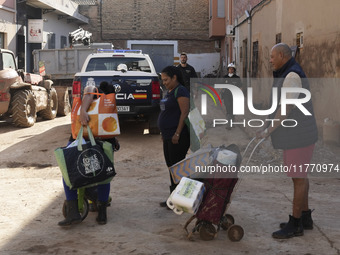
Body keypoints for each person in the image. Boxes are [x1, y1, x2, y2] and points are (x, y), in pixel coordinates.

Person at [256, 43, 318, 239]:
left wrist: (267, 130)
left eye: (273, 57)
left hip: (298, 136)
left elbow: (285, 109)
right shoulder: (287, 72)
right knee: (301, 177)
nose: (270, 60)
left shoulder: (291, 76)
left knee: (298, 179)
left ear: (282, 55)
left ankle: (296, 223)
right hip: (300, 134)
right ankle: (305, 218)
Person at [58, 81, 119, 227]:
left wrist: (83, 110)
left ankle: (74, 212)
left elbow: (89, 90)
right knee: (104, 175)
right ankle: (101, 211)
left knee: (69, 172)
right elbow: (90, 90)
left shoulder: (99, 98)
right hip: (97, 142)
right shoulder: (104, 100)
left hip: (83, 141)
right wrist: (84, 111)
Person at [158, 66, 190, 207]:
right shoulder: (170, 91)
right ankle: (174, 198)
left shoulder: (180, 90)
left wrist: (177, 133)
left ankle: (181, 199)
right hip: (168, 135)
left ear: (174, 78)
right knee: (172, 167)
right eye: (162, 80)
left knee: (177, 168)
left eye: (166, 80)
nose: (163, 82)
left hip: (178, 136)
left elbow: (184, 112)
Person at [221, 63, 242, 129]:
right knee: (228, 109)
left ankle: (232, 123)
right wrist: (221, 93)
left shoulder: (237, 78)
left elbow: (240, 87)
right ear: (228, 70)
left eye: (232, 69)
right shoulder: (225, 78)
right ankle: (229, 124)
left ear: (234, 70)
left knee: (233, 110)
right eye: (230, 69)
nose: (231, 70)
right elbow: (222, 87)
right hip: (227, 96)